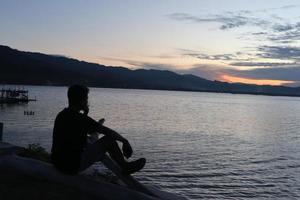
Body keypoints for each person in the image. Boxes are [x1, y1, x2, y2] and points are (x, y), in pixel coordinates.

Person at [51, 85, 146, 175]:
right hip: (71, 166)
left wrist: (85, 114)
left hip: (57, 162)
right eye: (86, 98)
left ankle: (124, 166)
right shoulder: (80, 119)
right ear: (82, 100)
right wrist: (124, 141)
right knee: (109, 141)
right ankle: (125, 166)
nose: (87, 101)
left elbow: (80, 130)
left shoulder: (62, 115)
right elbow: (107, 131)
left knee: (92, 141)